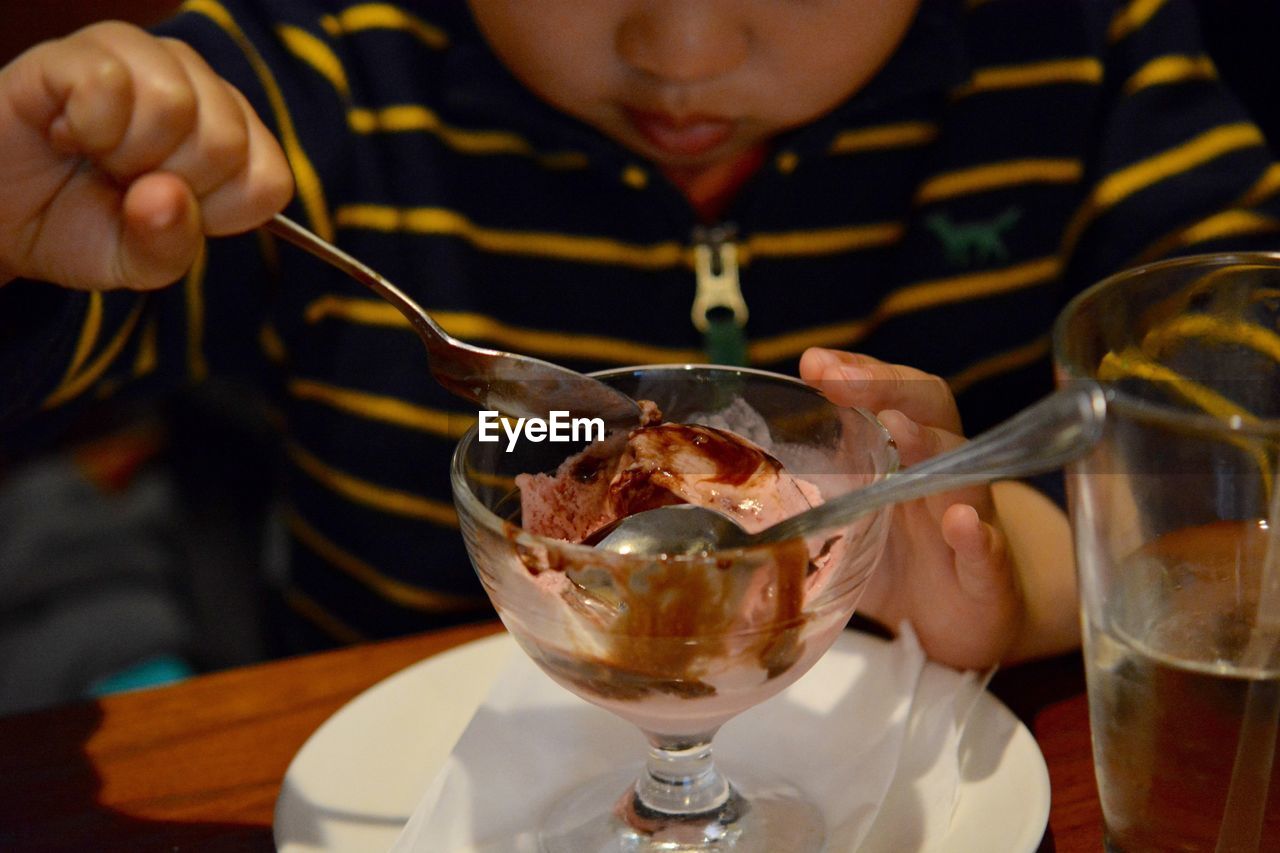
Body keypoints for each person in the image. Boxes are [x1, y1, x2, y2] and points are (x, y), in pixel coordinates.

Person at [1, 0, 1276, 672]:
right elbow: (63, 349)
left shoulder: (1075, 52)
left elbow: (1236, 395)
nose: (682, 48)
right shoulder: (318, 80)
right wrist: (19, 237)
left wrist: (1033, 570)